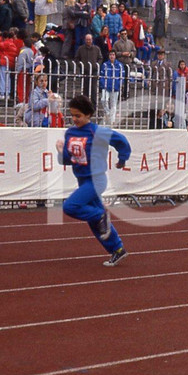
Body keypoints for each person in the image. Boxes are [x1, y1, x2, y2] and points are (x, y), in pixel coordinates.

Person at [55, 94, 131, 266]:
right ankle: (117, 249)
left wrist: (122, 159)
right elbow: (67, 160)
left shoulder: (97, 132)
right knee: (93, 221)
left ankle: (101, 215)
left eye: (78, 116)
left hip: (96, 180)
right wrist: (60, 150)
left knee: (70, 206)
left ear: (88, 114)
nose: (74, 119)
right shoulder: (70, 133)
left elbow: (122, 141)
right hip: (82, 181)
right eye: (72, 115)